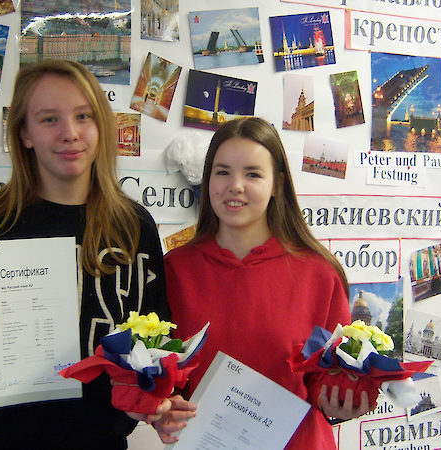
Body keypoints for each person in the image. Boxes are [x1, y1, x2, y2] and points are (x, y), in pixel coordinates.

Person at [0, 60, 192, 449]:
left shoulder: (134, 226)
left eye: (83, 116)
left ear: (101, 126)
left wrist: (157, 403)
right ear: (24, 133)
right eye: (49, 119)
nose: (70, 133)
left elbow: (153, 345)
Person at [156, 117, 374, 448]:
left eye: (253, 174)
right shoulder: (175, 270)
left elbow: (328, 379)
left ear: (277, 184)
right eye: (222, 172)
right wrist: (162, 409)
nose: (235, 185)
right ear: (208, 178)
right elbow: (165, 379)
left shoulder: (319, 274)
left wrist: (342, 400)